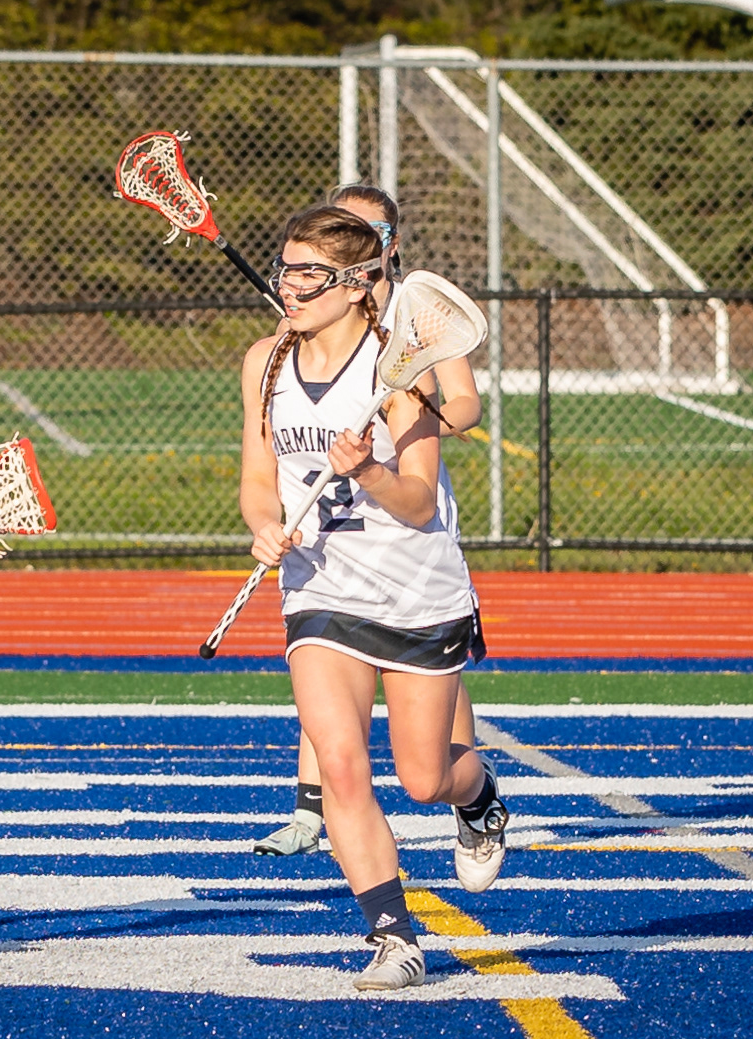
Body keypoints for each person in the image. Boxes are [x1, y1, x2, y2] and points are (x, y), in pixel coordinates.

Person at [239, 206, 505, 991]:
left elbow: (419, 501)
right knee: (341, 768)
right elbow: (257, 477)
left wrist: (366, 470)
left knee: (424, 777)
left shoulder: (398, 369)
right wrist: (263, 527)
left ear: (358, 284)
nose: (289, 287)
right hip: (318, 589)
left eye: (308, 274)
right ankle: (393, 937)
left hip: (414, 589)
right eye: (285, 269)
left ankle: (479, 797)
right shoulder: (264, 361)